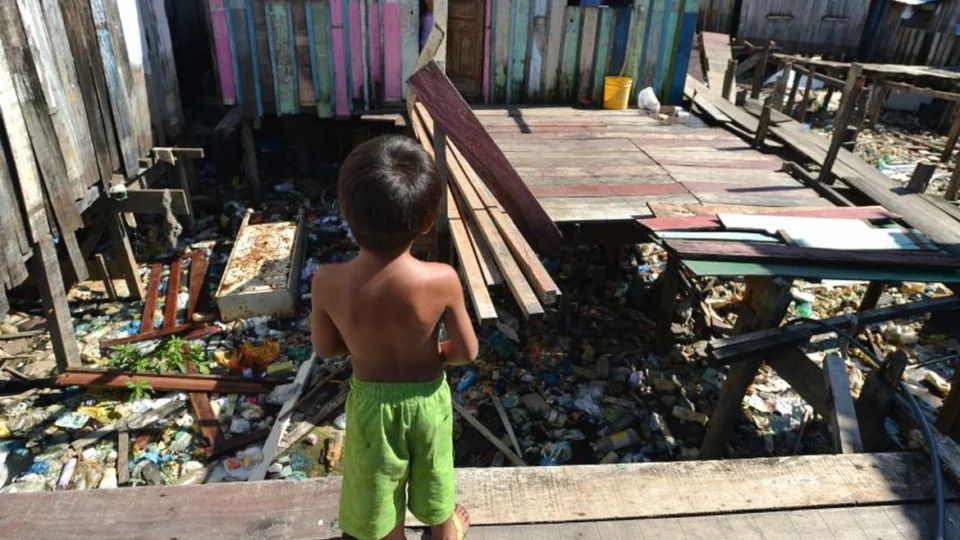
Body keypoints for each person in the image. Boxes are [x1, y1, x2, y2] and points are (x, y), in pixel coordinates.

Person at [311, 135, 478, 540]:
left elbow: (326, 348)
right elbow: (466, 351)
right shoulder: (441, 279)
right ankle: (444, 531)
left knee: (377, 483)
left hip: (372, 406)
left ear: (346, 213)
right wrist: (433, 353)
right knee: (435, 468)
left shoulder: (328, 281)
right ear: (426, 222)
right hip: (428, 401)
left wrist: (363, 344)